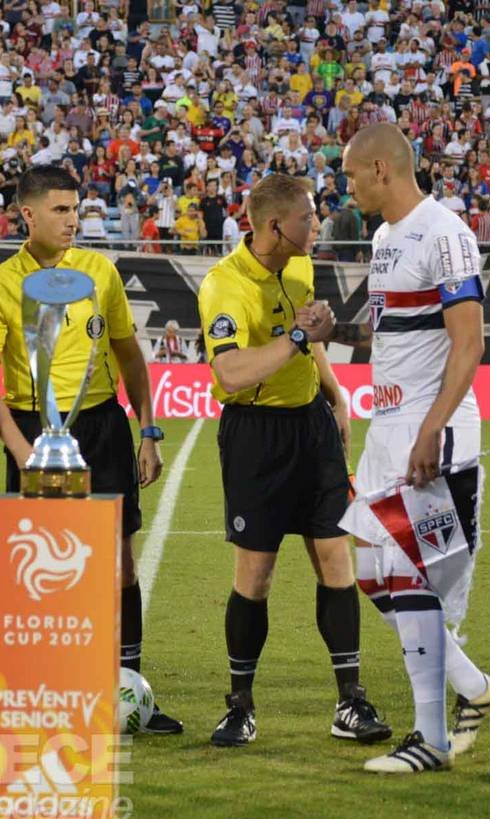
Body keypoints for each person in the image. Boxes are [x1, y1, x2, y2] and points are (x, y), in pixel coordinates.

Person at [0, 165, 183, 735]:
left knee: (120, 560)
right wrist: (21, 449)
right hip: (36, 434)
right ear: (28, 214)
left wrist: (149, 431)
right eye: (60, 210)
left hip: (103, 426)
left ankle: (129, 692)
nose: (72, 221)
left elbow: (129, 355)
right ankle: (46, 696)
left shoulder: (100, 272)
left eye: (76, 209)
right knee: (39, 567)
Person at [197, 173, 389, 749]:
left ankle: (350, 701)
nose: (317, 223)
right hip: (256, 435)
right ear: (276, 226)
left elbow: (312, 338)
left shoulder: (301, 264)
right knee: (255, 575)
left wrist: (335, 394)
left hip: (312, 426)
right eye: (308, 217)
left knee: (336, 560)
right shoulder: (223, 284)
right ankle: (240, 706)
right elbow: (230, 372)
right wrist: (301, 340)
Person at [334, 123, 490, 774]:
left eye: (351, 175)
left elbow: (470, 343)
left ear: (380, 168)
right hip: (387, 425)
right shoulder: (383, 239)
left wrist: (433, 426)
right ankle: (472, 686)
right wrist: (333, 329)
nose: (347, 188)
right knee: (372, 572)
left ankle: (431, 737)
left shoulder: (445, 233)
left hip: (432, 427)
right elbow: (394, 332)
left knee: (412, 575)